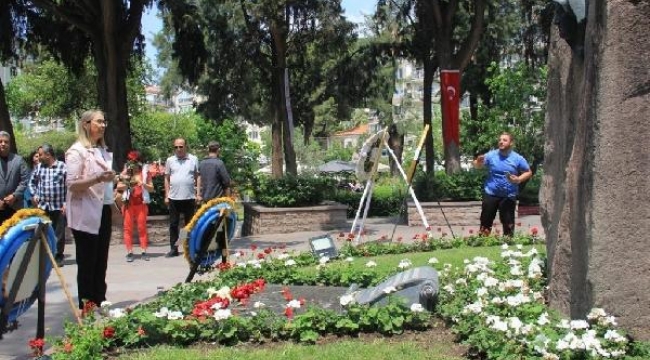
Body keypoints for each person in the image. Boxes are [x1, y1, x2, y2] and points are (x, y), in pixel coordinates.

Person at [65, 110, 116, 309]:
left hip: (102, 209)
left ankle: (100, 298)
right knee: (87, 260)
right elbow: (72, 184)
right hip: (84, 213)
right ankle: (86, 303)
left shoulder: (102, 150)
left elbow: (105, 181)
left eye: (105, 122)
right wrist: (98, 178)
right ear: (86, 124)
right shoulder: (76, 151)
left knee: (101, 257)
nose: (103, 126)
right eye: (99, 122)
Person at [473, 132, 532, 236]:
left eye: (505, 140)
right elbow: (477, 166)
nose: (501, 142)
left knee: (508, 223)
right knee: (485, 220)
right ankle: (482, 242)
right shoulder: (491, 155)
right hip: (491, 193)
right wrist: (478, 162)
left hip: (508, 195)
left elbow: (528, 172)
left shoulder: (517, 158)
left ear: (511, 143)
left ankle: (508, 243)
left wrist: (518, 179)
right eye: (500, 140)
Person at [29, 144, 67, 267]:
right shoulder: (39, 167)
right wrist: (34, 194)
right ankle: (45, 257)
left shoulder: (62, 167)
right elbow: (31, 183)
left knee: (59, 233)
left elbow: (69, 186)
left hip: (58, 206)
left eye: (40, 155)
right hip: (43, 206)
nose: (38, 157)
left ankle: (58, 257)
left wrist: (66, 203)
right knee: (43, 232)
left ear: (48, 155)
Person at [164, 138, 200, 257]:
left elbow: (197, 177)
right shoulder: (170, 160)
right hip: (174, 198)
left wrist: (198, 193)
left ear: (185, 147)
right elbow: (166, 178)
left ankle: (188, 247)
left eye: (181, 146)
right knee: (173, 224)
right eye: (176, 147)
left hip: (189, 197)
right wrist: (166, 195)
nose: (178, 149)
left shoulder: (193, 159)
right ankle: (174, 249)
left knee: (188, 225)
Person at [116, 150, 154, 262]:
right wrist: (127, 182)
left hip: (141, 204)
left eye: (135, 161)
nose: (133, 163)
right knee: (128, 228)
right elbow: (119, 187)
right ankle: (129, 252)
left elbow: (151, 188)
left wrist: (142, 184)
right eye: (131, 161)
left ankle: (143, 251)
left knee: (142, 228)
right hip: (128, 204)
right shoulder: (126, 173)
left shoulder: (145, 173)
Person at [0, 131, 29, 224]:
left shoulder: (19, 160)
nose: (3, 144)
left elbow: (25, 180)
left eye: (6, 141)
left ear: (10, 144)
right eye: (0, 141)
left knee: (17, 237)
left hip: (15, 206)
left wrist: (14, 195)